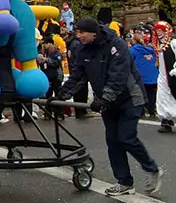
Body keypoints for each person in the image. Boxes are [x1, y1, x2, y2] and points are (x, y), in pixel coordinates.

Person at [56, 17, 162, 196]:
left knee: (126, 137)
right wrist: (60, 95)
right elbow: (77, 76)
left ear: (93, 33)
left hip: (130, 98)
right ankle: (124, 182)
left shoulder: (116, 45)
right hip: (108, 102)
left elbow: (118, 76)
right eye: (77, 32)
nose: (78, 36)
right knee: (113, 142)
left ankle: (152, 168)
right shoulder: (83, 50)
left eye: (82, 33)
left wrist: (104, 98)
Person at [152, 20, 176, 132]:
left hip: (173, 76)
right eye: (157, 31)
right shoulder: (159, 46)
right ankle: (166, 120)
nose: (159, 33)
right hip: (163, 77)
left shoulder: (173, 43)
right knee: (162, 97)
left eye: (161, 31)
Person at [129, 33, 159, 120]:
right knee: (151, 95)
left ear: (134, 40)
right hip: (153, 77)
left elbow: (129, 62)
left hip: (141, 77)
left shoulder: (133, 50)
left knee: (141, 95)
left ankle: (141, 112)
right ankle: (152, 111)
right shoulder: (152, 50)